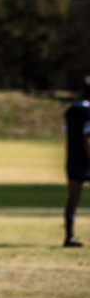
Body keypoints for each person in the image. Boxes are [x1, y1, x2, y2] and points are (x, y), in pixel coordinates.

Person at [63, 76, 90, 247]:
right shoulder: (89, 113)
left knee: (73, 198)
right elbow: (88, 139)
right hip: (87, 161)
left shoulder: (70, 112)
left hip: (73, 159)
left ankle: (69, 236)